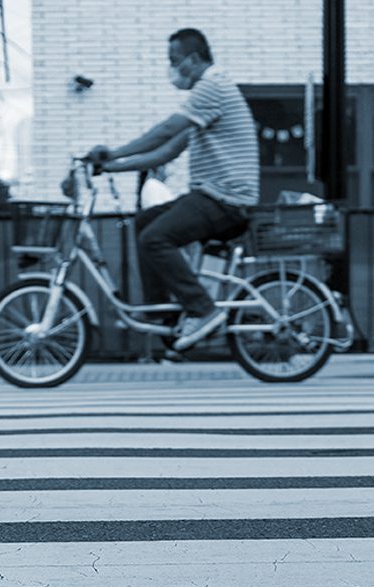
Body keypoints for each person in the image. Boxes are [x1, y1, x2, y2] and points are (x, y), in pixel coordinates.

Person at [86, 28, 260, 350]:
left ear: (193, 60)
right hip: (213, 194)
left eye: (174, 60)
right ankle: (166, 316)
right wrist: (110, 167)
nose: (171, 68)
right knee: (144, 223)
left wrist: (114, 151)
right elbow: (165, 152)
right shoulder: (205, 106)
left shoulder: (213, 86)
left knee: (155, 237)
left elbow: (164, 131)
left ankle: (203, 310)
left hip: (226, 197)